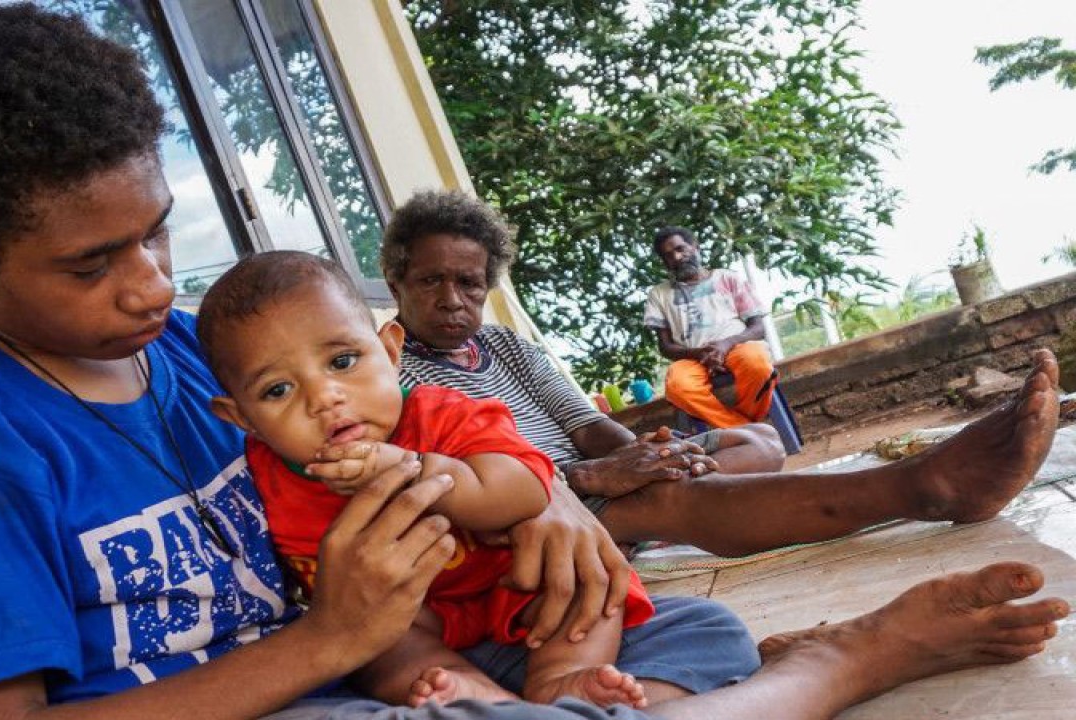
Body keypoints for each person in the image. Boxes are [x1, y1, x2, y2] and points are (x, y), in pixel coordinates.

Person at [0, 6, 1068, 720]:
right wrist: (327, 643)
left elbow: (422, 470)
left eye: (157, 231)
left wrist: (542, 506)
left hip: (403, 659)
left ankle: (752, 661)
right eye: (92, 263)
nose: (154, 285)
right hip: (315, 692)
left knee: (643, 629)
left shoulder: (183, 351)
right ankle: (841, 662)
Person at [384, 189, 1062, 555]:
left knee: (757, 444)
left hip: (600, 480)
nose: (453, 300)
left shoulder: (508, 346)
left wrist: (652, 456)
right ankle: (928, 485)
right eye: (432, 281)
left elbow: (585, 423)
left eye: (470, 284)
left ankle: (653, 508)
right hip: (536, 504)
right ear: (397, 279)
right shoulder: (387, 372)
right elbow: (456, 484)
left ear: (488, 286)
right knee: (677, 501)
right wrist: (598, 480)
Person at [196, 251, 660, 709]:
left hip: (516, 584)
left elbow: (523, 490)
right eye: (278, 390)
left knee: (586, 581)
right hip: (413, 617)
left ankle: (561, 677)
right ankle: (465, 688)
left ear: (390, 349)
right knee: (375, 651)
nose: (324, 398)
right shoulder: (259, 479)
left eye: (342, 362)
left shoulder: (441, 412)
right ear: (243, 419)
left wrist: (412, 468)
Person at [644, 226, 777, 428]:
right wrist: (700, 353)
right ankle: (743, 427)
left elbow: (758, 328)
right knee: (678, 387)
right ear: (665, 262)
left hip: (737, 346)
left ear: (695, 247)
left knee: (757, 365)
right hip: (692, 357)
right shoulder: (658, 294)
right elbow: (665, 347)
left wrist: (725, 344)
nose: (678, 257)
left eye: (681, 248)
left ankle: (744, 426)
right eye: (669, 255)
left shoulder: (727, 278)